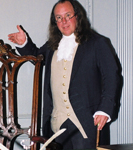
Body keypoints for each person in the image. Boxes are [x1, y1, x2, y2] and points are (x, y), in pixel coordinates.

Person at [8, 0, 123, 149]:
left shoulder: (98, 43)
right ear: (55, 21)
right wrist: (24, 43)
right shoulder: (52, 46)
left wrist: (105, 109)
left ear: (77, 16)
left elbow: (112, 76)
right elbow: (37, 58)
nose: (64, 21)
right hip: (57, 125)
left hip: (87, 124)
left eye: (68, 15)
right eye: (59, 17)